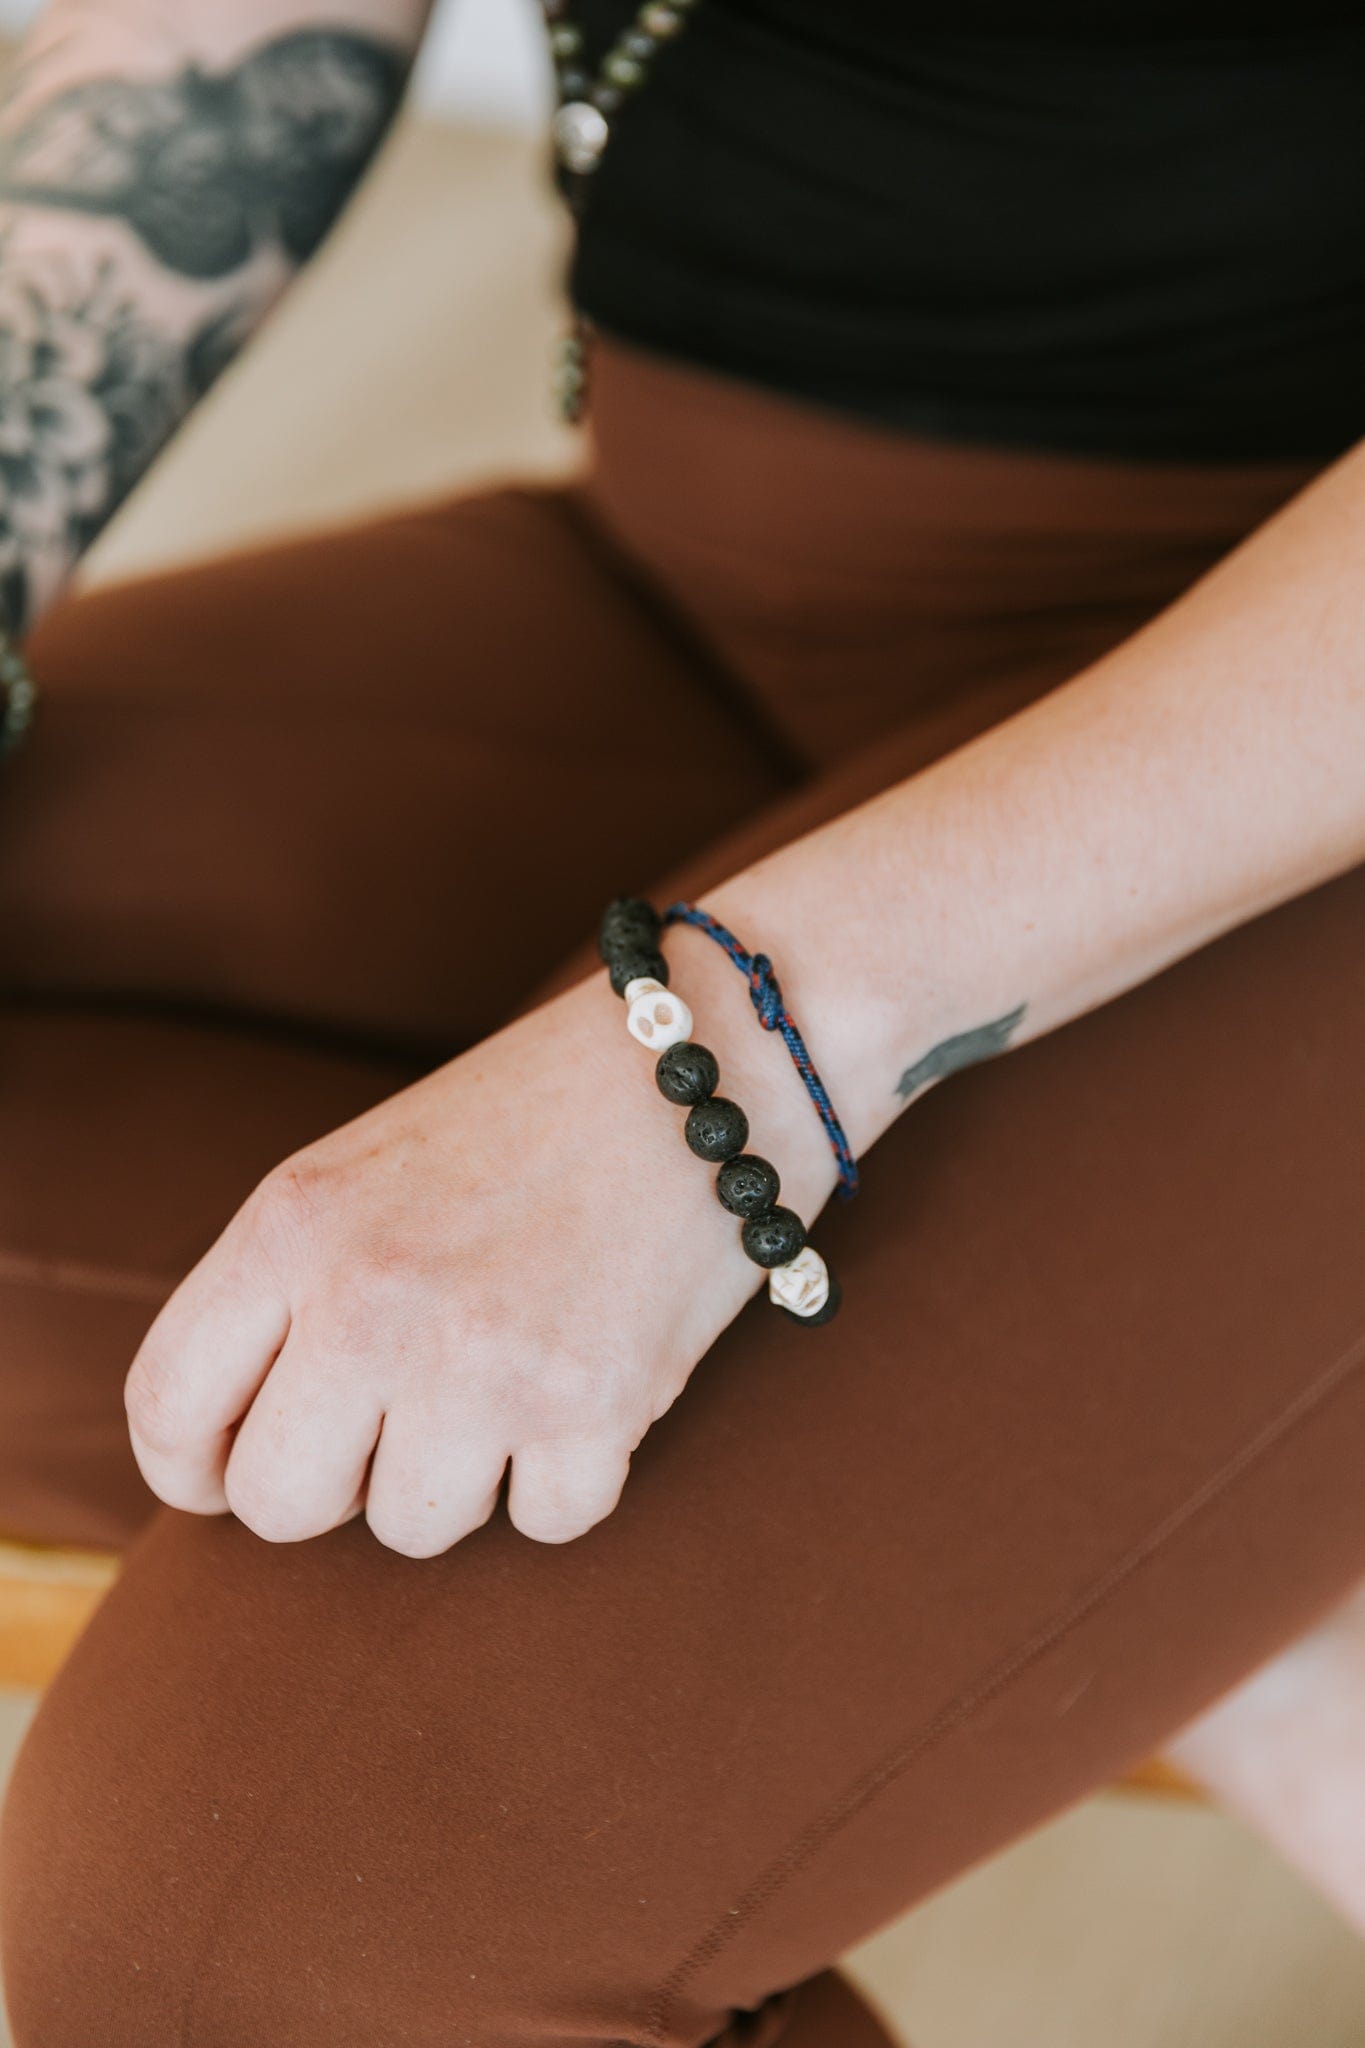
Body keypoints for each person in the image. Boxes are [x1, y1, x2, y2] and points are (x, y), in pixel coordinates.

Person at [0, 1, 1363, 2041]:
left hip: (1280, 749)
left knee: (267, 1927)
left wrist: (727, 1060)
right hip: (697, 583)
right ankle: (1161, 1546)